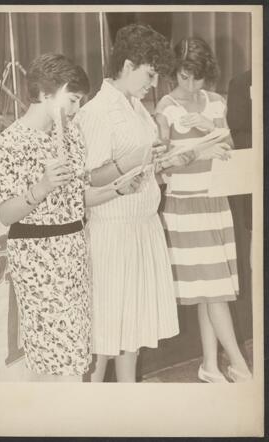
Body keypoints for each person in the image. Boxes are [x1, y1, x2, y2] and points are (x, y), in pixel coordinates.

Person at [0, 53, 142, 382]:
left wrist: (119, 190)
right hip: (38, 257)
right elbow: (5, 213)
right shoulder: (11, 142)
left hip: (73, 250)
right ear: (48, 93)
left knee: (74, 353)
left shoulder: (70, 135)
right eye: (72, 100)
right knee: (55, 357)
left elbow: (76, 199)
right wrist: (42, 187)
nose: (75, 110)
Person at [76, 24, 179, 382]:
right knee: (104, 334)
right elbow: (89, 178)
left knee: (131, 332)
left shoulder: (136, 107)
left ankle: (127, 403)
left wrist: (165, 161)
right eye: (150, 74)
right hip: (112, 233)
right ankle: (87, 415)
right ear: (129, 65)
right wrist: (134, 158)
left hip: (141, 229)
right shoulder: (98, 111)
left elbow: (142, 165)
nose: (153, 83)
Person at [155, 37, 252, 382]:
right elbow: (161, 167)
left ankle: (210, 366)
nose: (191, 85)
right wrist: (198, 153)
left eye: (197, 77)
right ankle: (240, 365)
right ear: (173, 73)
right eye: (184, 76)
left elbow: (229, 146)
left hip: (216, 201)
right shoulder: (165, 108)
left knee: (211, 290)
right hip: (186, 205)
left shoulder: (215, 102)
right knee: (212, 290)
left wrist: (212, 130)